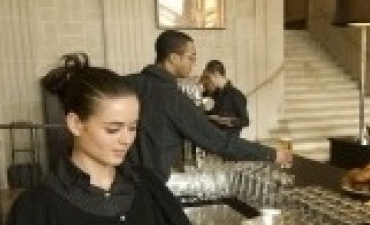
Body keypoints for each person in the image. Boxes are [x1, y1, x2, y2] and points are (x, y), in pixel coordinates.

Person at [4, 60, 267, 225]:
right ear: (75, 123)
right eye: (113, 129)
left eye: (132, 127)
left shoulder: (143, 183)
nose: (126, 139)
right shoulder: (38, 207)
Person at [125, 29, 292, 182]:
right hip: (149, 185)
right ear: (173, 58)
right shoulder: (173, 99)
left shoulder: (125, 84)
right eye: (191, 57)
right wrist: (271, 154)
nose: (193, 64)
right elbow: (218, 141)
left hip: (119, 179)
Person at [201, 59, 249, 137]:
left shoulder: (236, 95)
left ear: (216, 74)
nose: (209, 81)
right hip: (215, 140)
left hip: (230, 143)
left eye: (209, 77)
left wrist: (223, 120)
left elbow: (245, 121)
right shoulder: (215, 94)